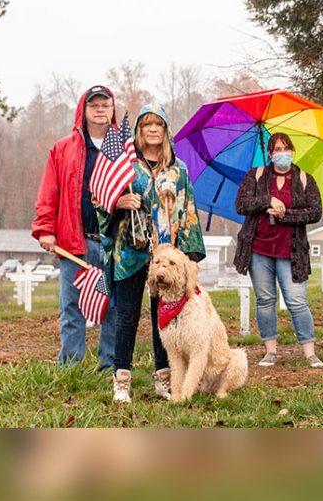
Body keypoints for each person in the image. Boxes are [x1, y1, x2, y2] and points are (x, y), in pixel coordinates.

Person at [98, 104, 205, 403]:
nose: (153, 129)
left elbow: (188, 212)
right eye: (147, 124)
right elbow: (99, 200)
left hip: (166, 255)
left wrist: (188, 256)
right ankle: (121, 380)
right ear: (140, 130)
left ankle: (163, 378)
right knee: (127, 316)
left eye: (159, 124)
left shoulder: (179, 169)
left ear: (166, 130)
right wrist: (119, 203)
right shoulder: (126, 165)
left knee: (166, 319)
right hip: (130, 252)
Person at [31, 85, 120, 370]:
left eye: (105, 105)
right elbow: (49, 192)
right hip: (74, 242)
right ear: (83, 110)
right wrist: (46, 229)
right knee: (72, 307)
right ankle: (70, 366)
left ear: (112, 109)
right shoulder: (63, 149)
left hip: (113, 244)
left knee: (112, 306)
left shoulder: (123, 149)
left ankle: (109, 365)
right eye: (94, 105)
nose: (99, 110)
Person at [233, 132, 323, 368]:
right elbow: (241, 204)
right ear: (270, 154)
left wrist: (286, 215)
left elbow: (314, 212)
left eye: (286, 148)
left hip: (291, 251)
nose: (282, 153)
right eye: (277, 149)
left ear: (292, 151)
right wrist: (267, 201)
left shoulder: (305, 178)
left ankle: (309, 352)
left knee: (297, 301)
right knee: (265, 300)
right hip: (259, 249)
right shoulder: (257, 175)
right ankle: (270, 351)